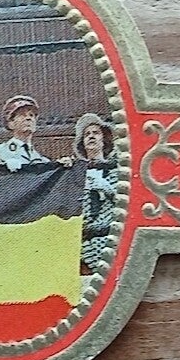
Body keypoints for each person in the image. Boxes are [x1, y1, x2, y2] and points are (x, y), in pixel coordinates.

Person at [0, 95, 71, 171]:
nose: (28, 118)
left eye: (31, 115)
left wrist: (60, 167)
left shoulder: (43, 161)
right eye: (22, 115)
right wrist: (3, 169)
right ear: (10, 123)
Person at [73, 113, 117, 272]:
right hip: (83, 248)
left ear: (104, 140)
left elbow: (128, 204)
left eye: (96, 133)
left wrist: (108, 189)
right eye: (87, 134)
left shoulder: (116, 171)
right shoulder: (75, 174)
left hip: (109, 242)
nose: (91, 136)